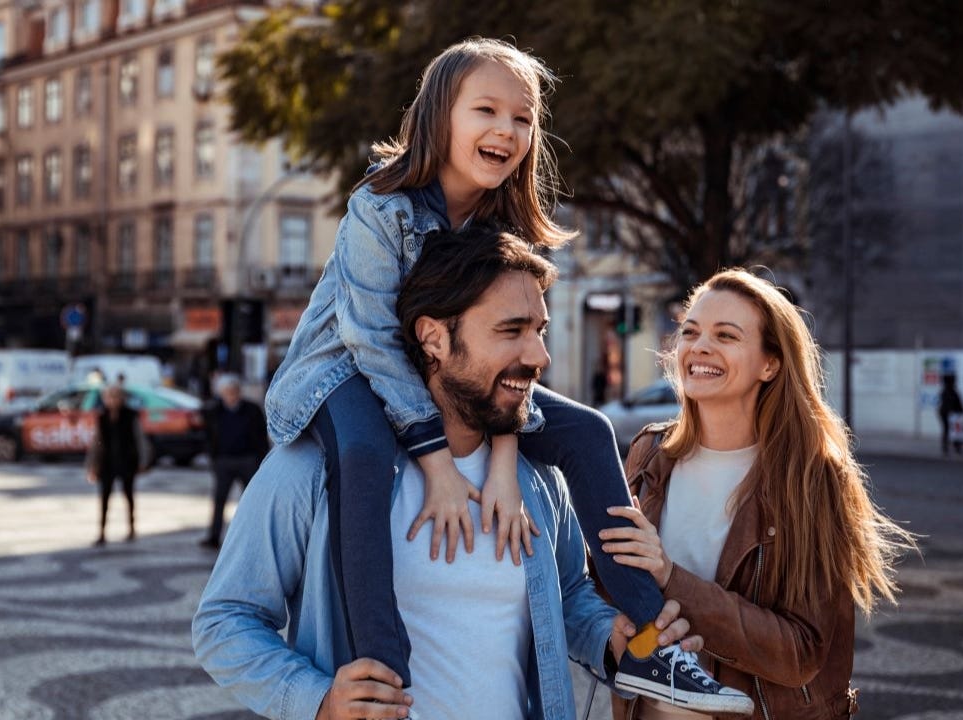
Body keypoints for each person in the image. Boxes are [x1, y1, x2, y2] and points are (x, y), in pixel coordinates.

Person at [258, 37, 740, 712]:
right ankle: (383, 677)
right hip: (342, 375)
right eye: (486, 110)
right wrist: (439, 465)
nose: (506, 130)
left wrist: (506, 461)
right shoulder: (382, 203)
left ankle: (651, 647)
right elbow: (371, 340)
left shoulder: (501, 220)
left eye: (523, 118)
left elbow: (505, 374)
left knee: (588, 430)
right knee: (366, 454)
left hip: (449, 382)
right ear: (438, 118)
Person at [194, 228, 737, 720]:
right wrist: (317, 700)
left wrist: (609, 638)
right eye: (512, 330)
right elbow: (224, 622)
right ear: (433, 338)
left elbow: (568, 593)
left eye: (541, 330)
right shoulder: (313, 470)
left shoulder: (537, 479)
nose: (540, 355)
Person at [600, 269, 916, 720]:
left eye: (726, 336)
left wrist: (671, 577)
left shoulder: (809, 477)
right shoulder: (649, 454)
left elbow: (800, 652)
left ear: (770, 364)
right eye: (690, 331)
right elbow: (611, 591)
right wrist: (611, 630)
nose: (699, 346)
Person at [199, 374, 268, 550]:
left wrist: (260, 459)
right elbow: (207, 435)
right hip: (224, 461)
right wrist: (213, 457)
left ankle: (256, 535)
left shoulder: (252, 410)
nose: (231, 396)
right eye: (227, 392)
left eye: (234, 391)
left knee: (252, 501)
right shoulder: (214, 411)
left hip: (248, 460)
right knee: (219, 499)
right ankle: (214, 536)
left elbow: (261, 436)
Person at [85, 384, 148, 546]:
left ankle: (131, 528)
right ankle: (102, 532)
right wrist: (92, 465)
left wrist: (142, 460)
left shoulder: (130, 415)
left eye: (115, 396)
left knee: (129, 496)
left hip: (127, 461)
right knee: (105, 498)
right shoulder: (102, 417)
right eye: (109, 397)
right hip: (107, 463)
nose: (112, 400)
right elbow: (96, 443)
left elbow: (139, 439)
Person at [937, 374, 963, 456]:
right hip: (950, 414)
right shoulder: (950, 391)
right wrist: (961, 411)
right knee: (954, 431)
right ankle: (955, 447)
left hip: (946, 413)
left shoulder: (945, 391)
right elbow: (956, 403)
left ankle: (947, 447)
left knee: (948, 430)